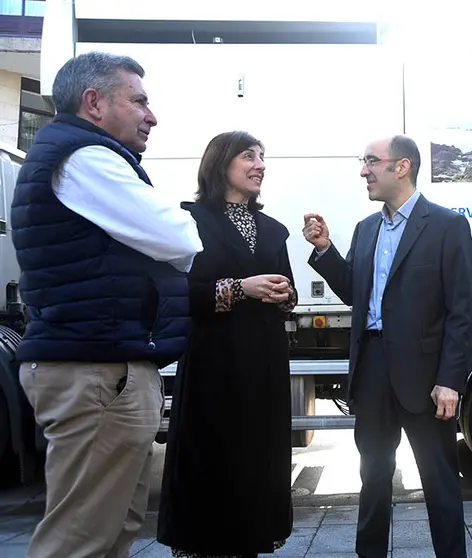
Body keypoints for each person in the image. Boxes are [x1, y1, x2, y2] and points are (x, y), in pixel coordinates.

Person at [9, 52, 203, 557]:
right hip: (95, 372)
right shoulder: (86, 158)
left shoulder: (75, 153)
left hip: (97, 367)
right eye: (138, 100)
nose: (151, 115)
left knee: (113, 529)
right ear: (93, 103)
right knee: (81, 539)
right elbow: (179, 236)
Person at [303, 134, 472, 557]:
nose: (364, 171)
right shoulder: (366, 230)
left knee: (439, 481)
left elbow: (460, 310)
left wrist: (450, 381)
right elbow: (356, 294)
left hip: (426, 377)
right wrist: (325, 250)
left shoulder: (447, 226)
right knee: (373, 477)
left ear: (402, 167)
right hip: (373, 369)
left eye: (371, 162)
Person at [156, 131, 296, 558]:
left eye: (262, 157)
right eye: (248, 156)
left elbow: (288, 297)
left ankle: (249, 542)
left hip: (263, 362)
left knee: (257, 459)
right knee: (210, 456)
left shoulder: (273, 229)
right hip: (213, 364)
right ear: (221, 164)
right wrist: (240, 288)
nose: (260, 165)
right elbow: (180, 292)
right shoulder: (191, 220)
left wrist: (282, 293)